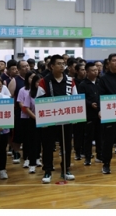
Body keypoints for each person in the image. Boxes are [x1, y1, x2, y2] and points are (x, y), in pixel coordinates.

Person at [37, 55, 77, 183]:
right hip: (50, 119)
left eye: (63, 63)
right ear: (52, 66)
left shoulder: (70, 81)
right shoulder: (44, 81)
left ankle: (66, 169)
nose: (62, 66)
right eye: (58, 63)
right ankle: (47, 170)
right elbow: (39, 100)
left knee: (66, 145)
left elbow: (75, 98)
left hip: (66, 119)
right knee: (48, 145)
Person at [20, 73, 42, 173]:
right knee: (32, 142)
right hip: (33, 120)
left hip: (45, 121)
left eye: (41, 82)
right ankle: (32, 164)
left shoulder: (45, 93)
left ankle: (41, 160)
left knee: (42, 142)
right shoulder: (30, 93)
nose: (39, 84)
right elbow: (26, 107)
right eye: (37, 82)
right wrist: (35, 117)